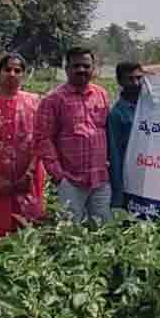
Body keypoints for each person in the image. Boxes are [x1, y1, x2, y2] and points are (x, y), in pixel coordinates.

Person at [0, 53, 46, 236]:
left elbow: (41, 141)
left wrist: (29, 173)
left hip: (28, 179)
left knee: (28, 230)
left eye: (17, 70)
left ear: (24, 74)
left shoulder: (35, 102)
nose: (12, 74)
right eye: (7, 69)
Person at [36, 47, 112, 224]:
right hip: (71, 180)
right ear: (67, 69)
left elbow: (106, 130)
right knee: (70, 232)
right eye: (76, 66)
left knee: (104, 231)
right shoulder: (53, 99)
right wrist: (58, 176)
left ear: (93, 68)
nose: (81, 70)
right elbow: (43, 138)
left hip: (100, 179)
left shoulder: (101, 94)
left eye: (86, 66)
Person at [108, 61, 145, 209]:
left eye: (139, 78)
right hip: (129, 179)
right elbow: (115, 155)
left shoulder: (151, 107)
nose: (136, 83)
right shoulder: (117, 114)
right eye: (130, 79)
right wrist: (118, 191)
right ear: (120, 81)